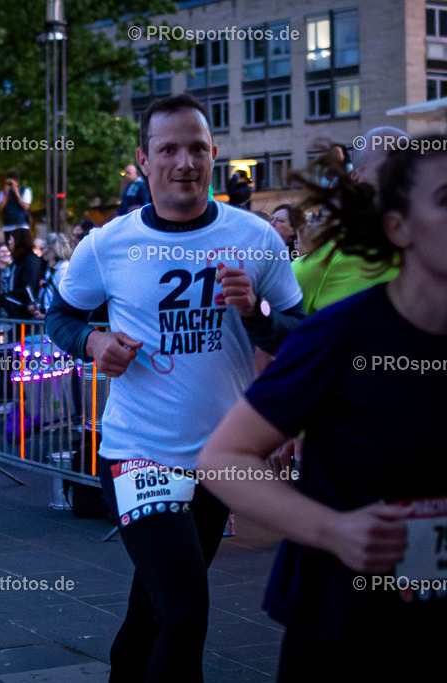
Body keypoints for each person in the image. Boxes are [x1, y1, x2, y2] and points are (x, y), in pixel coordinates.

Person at [45, 93, 304, 682]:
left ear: (213, 154)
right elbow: (59, 316)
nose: (184, 162)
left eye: (196, 149)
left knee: (155, 610)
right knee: (186, 611)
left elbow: (300, 333)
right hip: (138, 453)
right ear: (143, 159)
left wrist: (257, 315)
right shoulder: (108, 243)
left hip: (220, 459)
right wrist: (93, 342)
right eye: (168, 150)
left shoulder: (255, 237)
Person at [199, 135, 447, 680]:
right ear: (398, 227)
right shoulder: (342, 334)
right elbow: (221, 459)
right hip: (346, 624)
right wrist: (334, 529)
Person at [293, 127, 406, 315]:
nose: (403, 182)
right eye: (388, 171)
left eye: (411, 171)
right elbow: (282, 328)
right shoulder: (319, 265)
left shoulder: (433, 253)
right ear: (356, 177)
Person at [1, 228, 45, 320]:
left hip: (26, 314)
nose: (9, 242)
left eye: (11, 239)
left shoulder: (30, 261)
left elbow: (28, 289)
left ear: (18, 240)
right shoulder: (19, 261)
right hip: (17, 312)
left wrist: (4, 297)